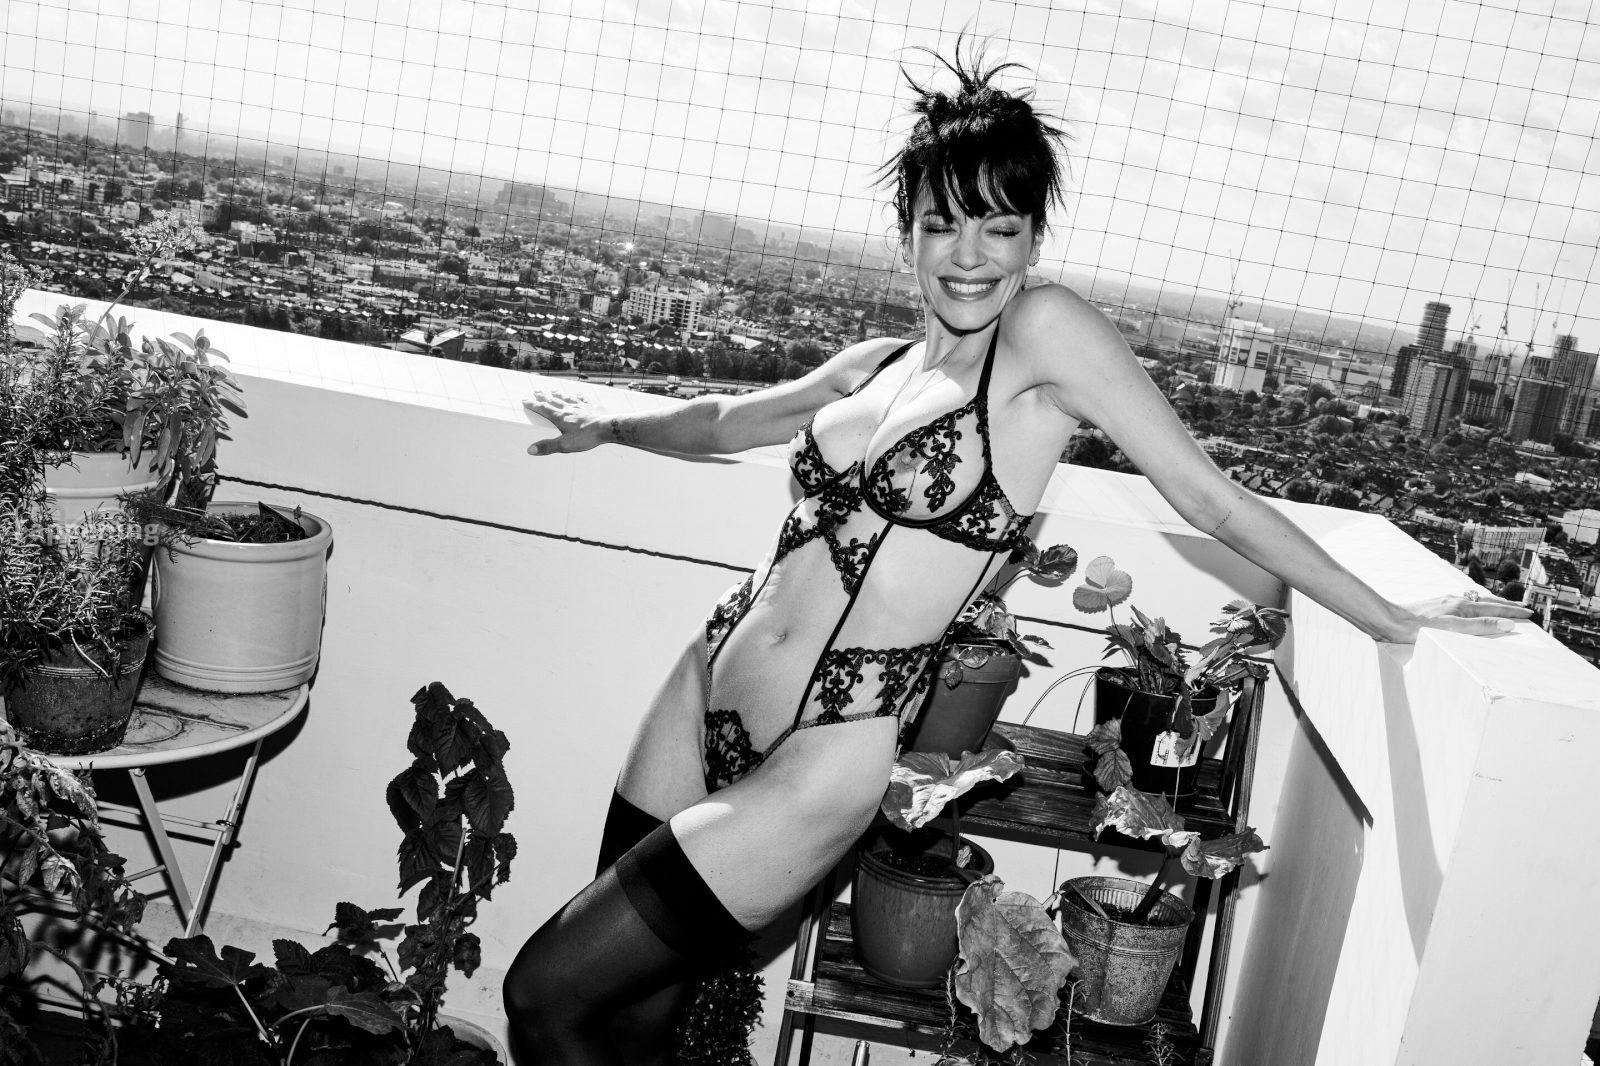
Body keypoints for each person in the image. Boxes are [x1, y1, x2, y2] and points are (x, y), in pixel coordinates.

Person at [502, 46, 1528, 1065]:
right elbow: (730, 420)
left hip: (827, 747)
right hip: (702, 687)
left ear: (1036, 237)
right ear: (905, 232)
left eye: (1000, 226)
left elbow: (1209, 498)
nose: (970, 254)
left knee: (544, 996)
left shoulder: (1041, 340)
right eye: (942, 223)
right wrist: (611, 424)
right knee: (631, 1020)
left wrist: (1391, 617)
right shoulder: (875, 364)